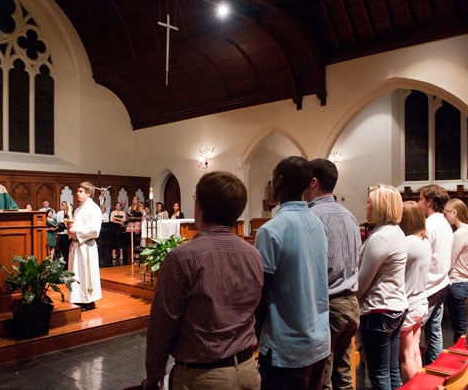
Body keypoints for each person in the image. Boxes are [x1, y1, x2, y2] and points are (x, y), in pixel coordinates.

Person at [144, 171, 263, 390]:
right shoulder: (253, 254)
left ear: (199, 206)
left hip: (204, 377)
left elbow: (162, 323)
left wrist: (154, 375)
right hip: (247, 369)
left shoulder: (182, 257)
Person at [254, 156, 330, 390]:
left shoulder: (271, 230)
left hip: (287, 347)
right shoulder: (318, 223)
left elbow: (261, 291)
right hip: (319, 339)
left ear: (278, 182)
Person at [303, 158, 360, 390]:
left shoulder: (313, 217)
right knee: (344, 375)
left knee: (322, 380)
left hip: (329, 306)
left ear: (313, 182)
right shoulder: (349, 215)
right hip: (351, 304)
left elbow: (311, 268)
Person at [357, 184, 408, 389]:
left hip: (379, 309)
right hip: (394, 307)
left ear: (380, 206)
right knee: (391, 370)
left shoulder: (381, 237)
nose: (365, 207)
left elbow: (362, 282)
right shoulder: (394, 231)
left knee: (379, 375)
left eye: (369, 203)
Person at [417, 184, 453, 365]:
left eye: (421, 199)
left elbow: (423, 256)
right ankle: (436, 366)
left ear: (429, 201)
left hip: (429, 286)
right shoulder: (445, 223)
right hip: (442, 282)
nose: (418, 203)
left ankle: (418, 371)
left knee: (414, 332)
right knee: (435, 329)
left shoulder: (428, 224)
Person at [397, 201, 431, 383]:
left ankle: (413, 387)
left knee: (405, 357)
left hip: (408, 303)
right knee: (415, 351)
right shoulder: (424, 240)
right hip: (420, 300)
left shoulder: (407, 243)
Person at [68, 182, 102, 311]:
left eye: (81, 191)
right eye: (77, 191)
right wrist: (70, 229)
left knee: (86, 273)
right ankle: (78, 299)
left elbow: (94, 230)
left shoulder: (94, 208)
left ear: (89, 193)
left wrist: (76, 232)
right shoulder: (78, 209)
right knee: (77, 273)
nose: (78, 193)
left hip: (87, 246)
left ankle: (88, 301)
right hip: (77, 245)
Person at [443, 198, 468, 343]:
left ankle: (461, 361)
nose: (445, 217)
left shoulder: (459, 234)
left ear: (454, 212)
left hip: (457, 283)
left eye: (447, 213)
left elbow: (450, 262)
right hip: (466, 281)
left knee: (459, 329)